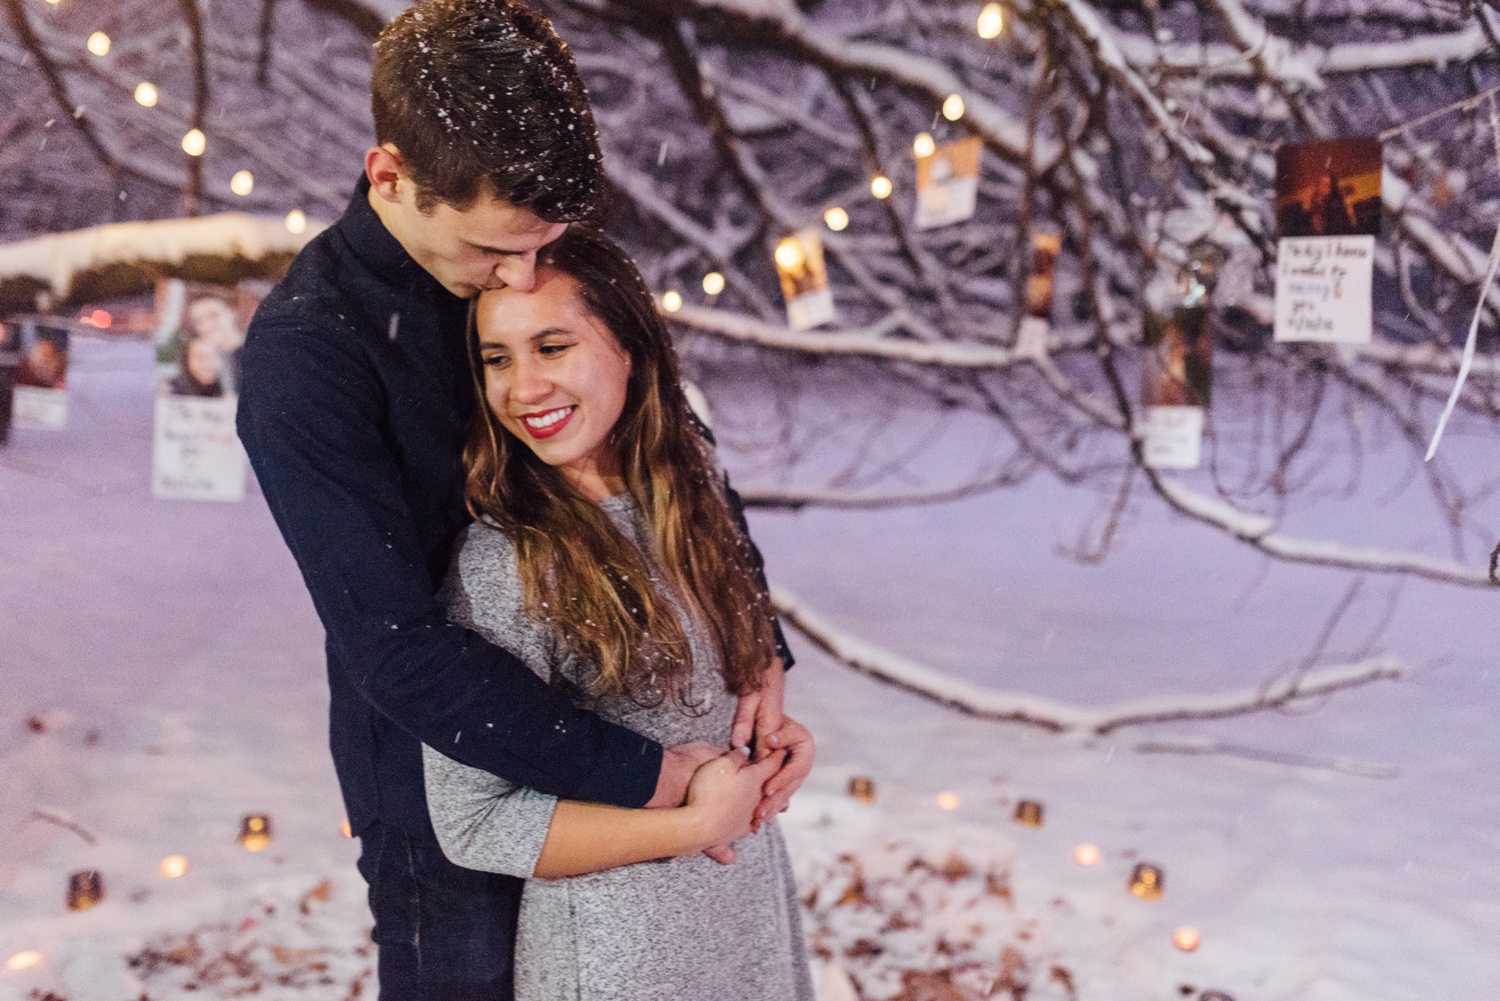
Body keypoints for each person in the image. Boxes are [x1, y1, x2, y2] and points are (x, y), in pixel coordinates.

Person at [234, 1, 809, 997]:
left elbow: (670, 439)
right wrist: (660, 776)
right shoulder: (309, 358)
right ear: (389, 177)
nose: (525, 274)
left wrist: (756, 643)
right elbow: (396, 644)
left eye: (545, 243)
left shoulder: (515, 259)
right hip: (448, 800)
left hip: (628, 722)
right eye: (497, 251)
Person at [423, 227, 815, 1001]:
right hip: (619, 955)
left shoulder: (689, 496)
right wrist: (692, 826)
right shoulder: (509, 559)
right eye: (498, 359)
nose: (522, 386)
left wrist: (772, 748)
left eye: (552, 346)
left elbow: (706, 702)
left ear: (630, 347)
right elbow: (473, 821)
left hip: (743, 919)